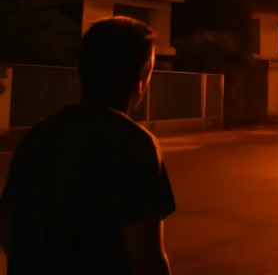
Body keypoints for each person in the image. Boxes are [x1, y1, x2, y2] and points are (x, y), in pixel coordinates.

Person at [0, 17, 175, 274]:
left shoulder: (39, 136)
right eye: (149, 71)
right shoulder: (134, 144)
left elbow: (7, 225)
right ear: (140, 79)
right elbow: (148, 258)